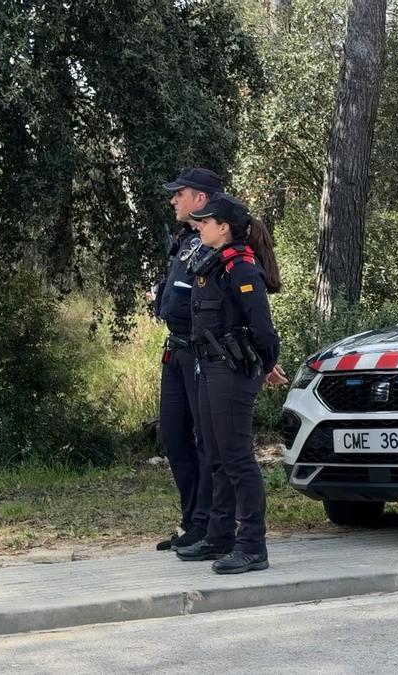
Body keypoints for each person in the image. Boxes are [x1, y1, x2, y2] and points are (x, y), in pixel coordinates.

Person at [173, 193, 287, 574]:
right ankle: (219, 536)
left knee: (237, 459)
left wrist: (266, 365)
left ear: (224, 228)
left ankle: (252, 545)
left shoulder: (241, 268)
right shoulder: (214, 263)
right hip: (210, 368)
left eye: (206, 222)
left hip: (232, 373)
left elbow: (263, 330)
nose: (199, 227)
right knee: (216, 456)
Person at [154, 167, 224, 551]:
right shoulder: (186, 239)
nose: (173, 200)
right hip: (176, 350)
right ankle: (190, 519)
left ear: (200, 198)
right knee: (173, 435)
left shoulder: (218, 239)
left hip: (203, 352)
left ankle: (206, 524)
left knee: (205, 441)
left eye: (178, 193)